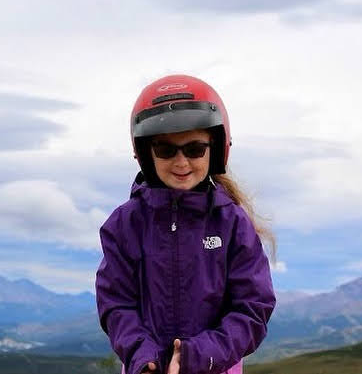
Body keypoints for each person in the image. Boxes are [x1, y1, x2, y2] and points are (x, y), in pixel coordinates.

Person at [95, 75, 276, 374]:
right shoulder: (125, 224)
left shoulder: (232, 222)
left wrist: (197, 356)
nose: (181, 162)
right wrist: (144, 359)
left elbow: (252, 308)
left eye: (194, 149)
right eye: (165, 150)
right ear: (146, 152)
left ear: (215, 147)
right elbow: (116, 304)